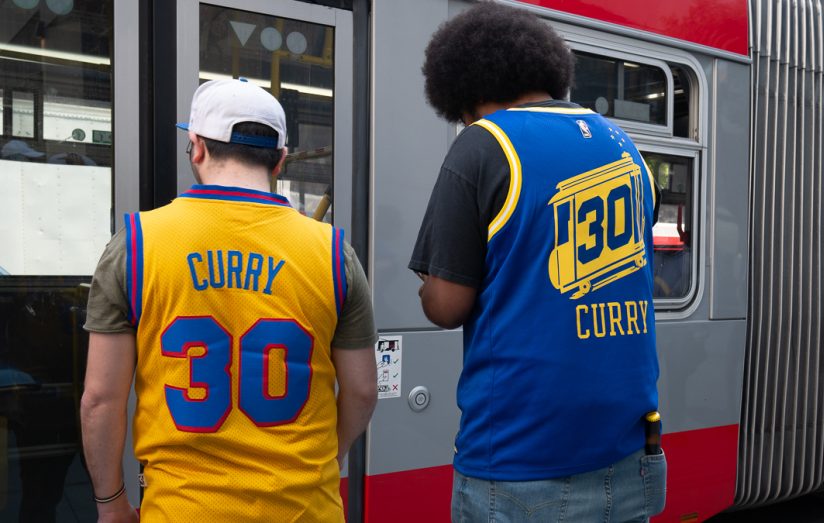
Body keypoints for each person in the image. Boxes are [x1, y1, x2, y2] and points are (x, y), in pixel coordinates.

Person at [409, 4, 666, 522]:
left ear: (469, 89)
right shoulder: (627, 149)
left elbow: (447, 305)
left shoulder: (485, 143)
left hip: (521, 459)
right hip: (632, 455)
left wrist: (427, 286)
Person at [80, 78, 377, 522]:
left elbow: (100, 399)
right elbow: (362, 389)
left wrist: (111, 504)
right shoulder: (334, 254)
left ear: (196, 148)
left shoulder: (136, 246)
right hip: (305, 509)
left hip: (183, 510)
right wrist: (326, 463)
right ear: (279, 160)